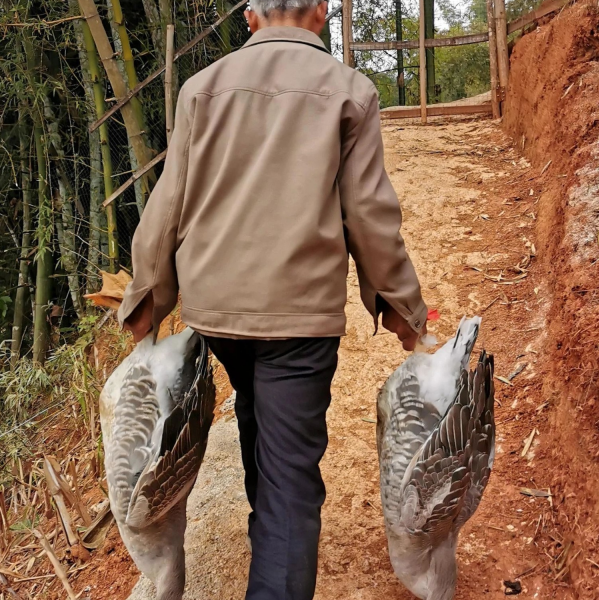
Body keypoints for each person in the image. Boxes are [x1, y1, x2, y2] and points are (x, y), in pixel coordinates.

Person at [117, 0, 428, 597]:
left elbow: (167, 207)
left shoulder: (201, 89)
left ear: (251, 17)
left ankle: (270, 535)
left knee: (263, 423)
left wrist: (146, 303)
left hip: (218, 315)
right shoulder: (350, 91)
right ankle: (276, 548)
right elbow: (370, 217)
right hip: (298, 319)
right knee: (289, 477)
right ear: (321, 13)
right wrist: (407, 316)